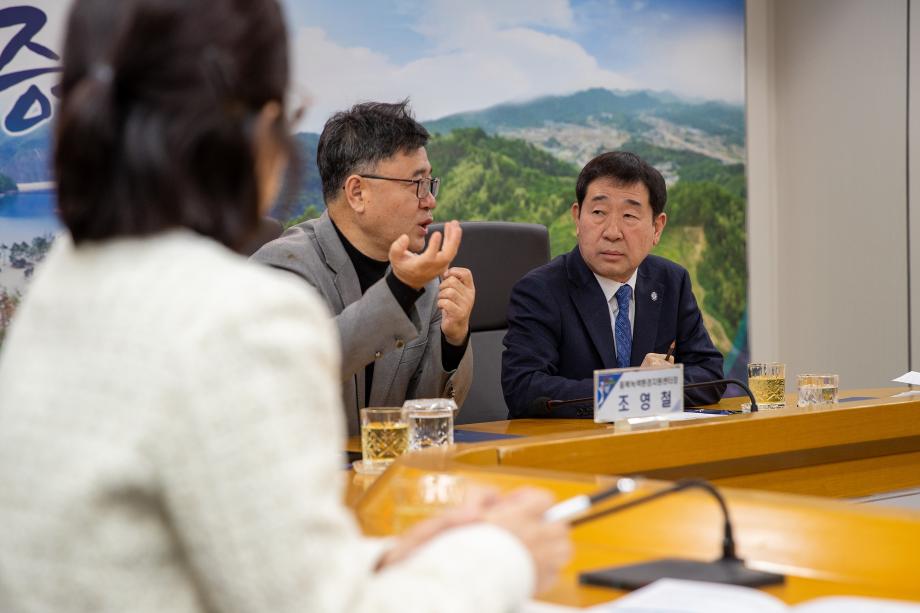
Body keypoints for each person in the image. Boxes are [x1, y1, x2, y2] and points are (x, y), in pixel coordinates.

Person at [0, 1, 570, 611]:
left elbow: (244, 554)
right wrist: (502, 555)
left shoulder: (63, 284)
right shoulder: (242, 312)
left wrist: (386, 558)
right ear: (264, 129)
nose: (429, 198)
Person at [252, 101, 473, 436]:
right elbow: (307, 364)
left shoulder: (422, 280)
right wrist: (400, 291)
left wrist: (453, 341)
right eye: (417, 184)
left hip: (388, 467)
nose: (430, 200)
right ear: (357, 193)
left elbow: (426, 422)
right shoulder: (283, 269)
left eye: (430, 183)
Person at [502, 151, 725, 418]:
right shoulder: (540, 290)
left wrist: (653, 386)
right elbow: (524, 389)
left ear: (657, 228)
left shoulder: (671, 281)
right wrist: (632, 387)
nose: (612, 232)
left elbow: (711, 374)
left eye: (629, 216)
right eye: (599, 212)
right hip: (575, 441)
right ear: (577, 218)